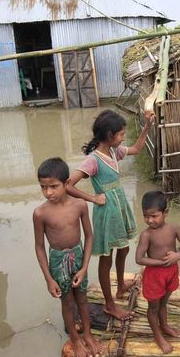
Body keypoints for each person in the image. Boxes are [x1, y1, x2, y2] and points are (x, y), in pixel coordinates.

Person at [67, 109, 155, 320]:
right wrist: (94, 198)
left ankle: (121, 285)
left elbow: (137, 148)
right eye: (121, 133)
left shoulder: (114, 152)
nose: (123, 137)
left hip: (120, 206)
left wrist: (147, 126)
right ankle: (109, 304)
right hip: (106, 210)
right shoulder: (94, 160)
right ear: (109, 135)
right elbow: (68, 185)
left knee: (123, 248)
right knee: (107, 257)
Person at [32, 157, 103, 357]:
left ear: (66, 184)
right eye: (43, 187)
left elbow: (89, 236)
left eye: (54, 186)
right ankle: (75, 338)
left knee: (82, 298)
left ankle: (87, 335)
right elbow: (39, 247)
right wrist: (48, 279)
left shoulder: (80, 205)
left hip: (78, 255)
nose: (48, 193)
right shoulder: (40, 213)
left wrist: (84, 267)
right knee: (67, 300)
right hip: (57, 260)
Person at [135, 191, 180, 354]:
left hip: (171, 272)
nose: (150, 220)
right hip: (154, 276)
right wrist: (160, 262)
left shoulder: (174, 228)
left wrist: (178, 256)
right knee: (153, 307)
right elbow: (139, 258)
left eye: (154, 216)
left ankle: (165, 325)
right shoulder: (146, 235)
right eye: (146, 216)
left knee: (164, 302)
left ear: (165, 213)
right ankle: (158, 335)